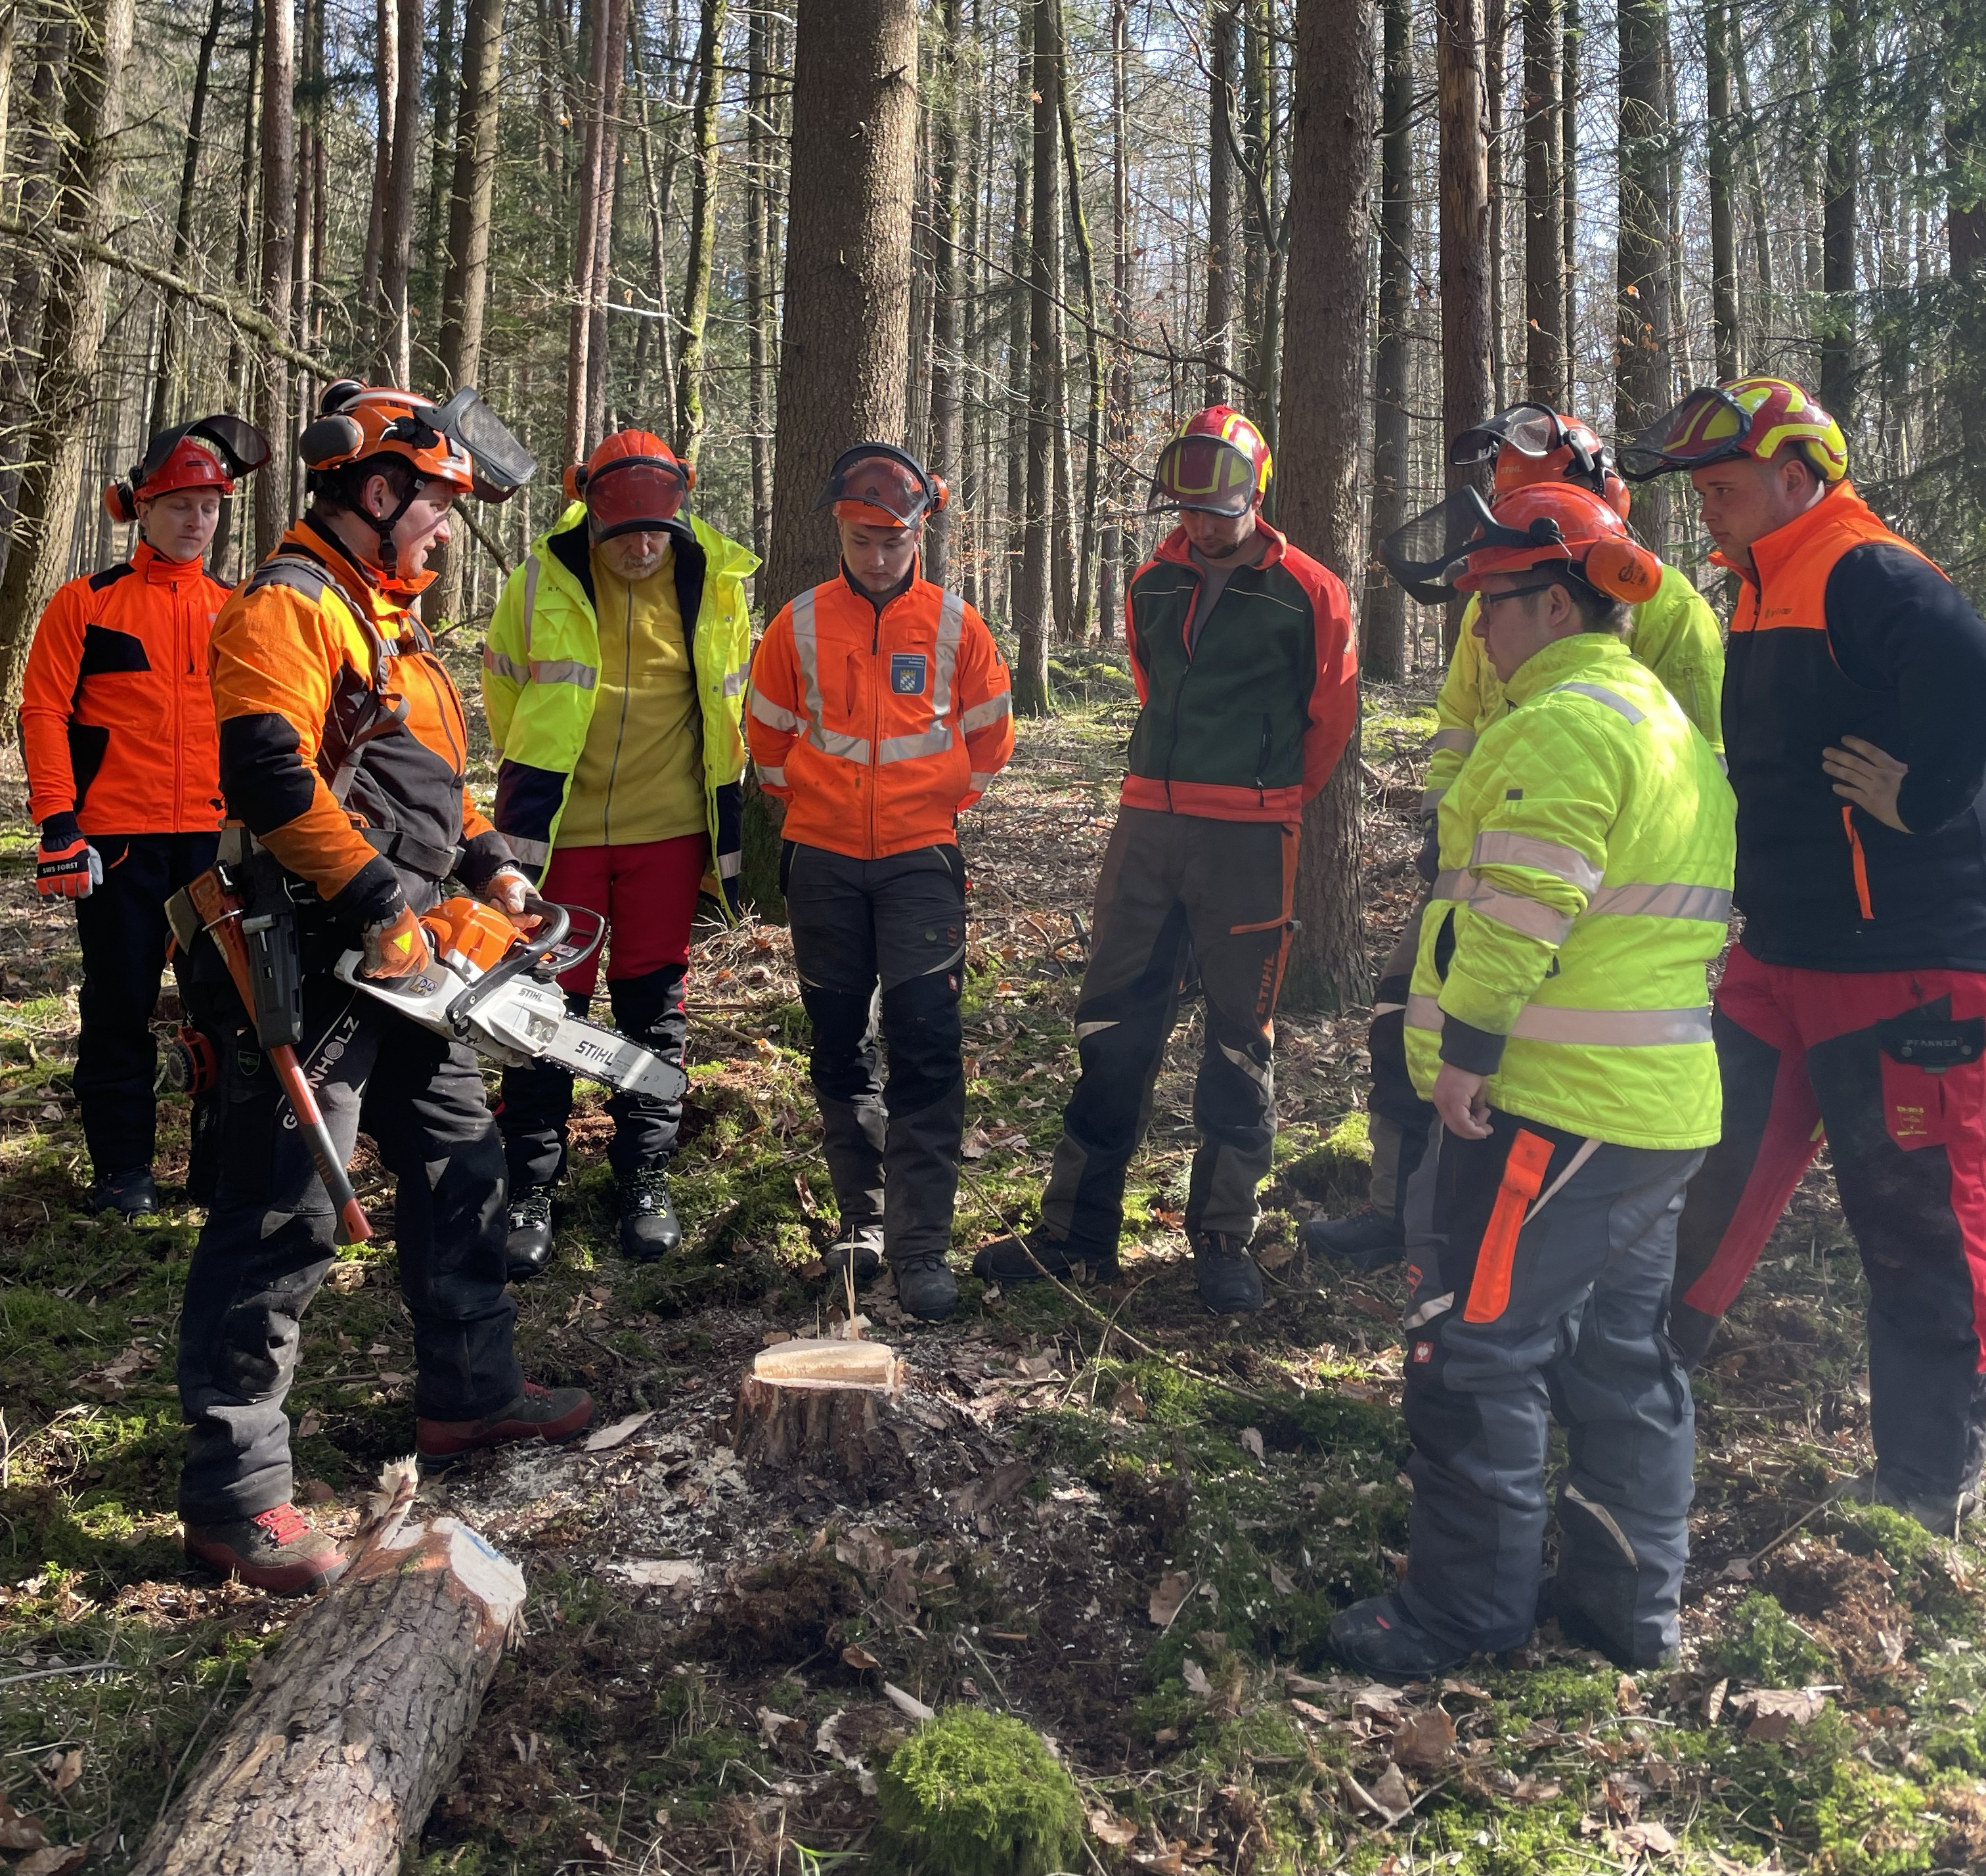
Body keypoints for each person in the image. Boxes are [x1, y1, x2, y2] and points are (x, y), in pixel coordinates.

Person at [175, 380, 592, 1595]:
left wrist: (490, 865)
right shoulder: (287, 608)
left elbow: (427, 782)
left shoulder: (385, 622)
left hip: (401, 953)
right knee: (283, 1210)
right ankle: (234, 1494)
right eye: (436, 507)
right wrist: (376, 905)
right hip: (307, 950)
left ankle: (470, 1393)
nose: (446, 530)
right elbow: (273, 783)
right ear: (375, 491)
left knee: (463, 1154)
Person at [1326, 483, 1736, 1678]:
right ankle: (1623, 1602)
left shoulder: (1562, 724)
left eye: (1487, 609)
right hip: (1649, 1115)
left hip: (1548, 1111)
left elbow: (1516, 909)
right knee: (1615, 1355)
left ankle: (1463, 1610)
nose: (1475, 633)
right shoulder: (1661, 722)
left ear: (1550, 605)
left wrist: (1465, 1052)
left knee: (1473, 1351)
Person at [1623, 376, 1986, 1536]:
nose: (1705, 512)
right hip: (1779, 951)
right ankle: (1639, 1379)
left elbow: (1967, 678)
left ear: (1796, 477)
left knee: (1914, 1215)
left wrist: (1923, 797)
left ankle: (1928, 1481)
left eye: (1722, 488)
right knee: (1703, 1155)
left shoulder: (1862, 568)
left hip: (1903, 961)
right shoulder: (1759, 585)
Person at [1307, 405, 1725, 1271]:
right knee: (1403, 1017)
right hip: (1490, 852)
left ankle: (1505, 1237)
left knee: (1512, 1042)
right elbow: (1460, 718)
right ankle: (1406, 1207)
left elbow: (1700, 757)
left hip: (1599, 882)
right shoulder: (1498, 590)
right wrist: (1443, 819)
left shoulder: (1665, 607)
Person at [973, 406, 1357, 1312]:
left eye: (1217, 509)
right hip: (1147, 828)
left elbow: (1330, 716)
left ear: (1254, 496)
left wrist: (1265, 794)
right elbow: (1152, 684)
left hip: (1252, 840)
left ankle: (1222, 1233)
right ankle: (1077, 1229)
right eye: (1186, 509)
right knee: (1112, 1028)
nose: (1200, 525)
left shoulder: (1310, 589)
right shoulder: (1151, 582)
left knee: (1239, 1040)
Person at [745, 443, 1014, 1322]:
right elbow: (768, 741)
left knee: (926, 1040)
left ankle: (922, 1243)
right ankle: (860, 1224)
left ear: (917, 534)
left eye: (892, 541)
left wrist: (926, 807)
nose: (876, 556)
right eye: (862, 540)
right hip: (821, 864)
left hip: (920, 863)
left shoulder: (957, 627)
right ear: (840, 531)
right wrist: (821, 811)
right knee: (837, 1041)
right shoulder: (799, 623)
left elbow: (990, 744)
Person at [482, 430, 756, 1277]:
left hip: (667, 829)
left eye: (655, 533)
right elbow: (502, 690)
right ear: (591, 515)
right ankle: (529, 1184)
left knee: (653, 1006)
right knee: (538, 1012)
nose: (640, 548)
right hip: (558, 836)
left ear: (680, 512)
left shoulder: (715, 582)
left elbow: (728, 695)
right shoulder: (541, 580)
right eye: (623, 533)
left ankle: (644, 1174)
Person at [18, 415, 270, 1218]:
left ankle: (217, 1168)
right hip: (118, 841)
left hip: (212, 840)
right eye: (181, 505)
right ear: (143, 510)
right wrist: (59, 822)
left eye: (210, 507)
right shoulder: (86, 603)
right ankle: (122, 1172)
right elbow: (42, 711)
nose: (198, 521)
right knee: (119, 1004)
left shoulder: (236, 607)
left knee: (225, 1010)